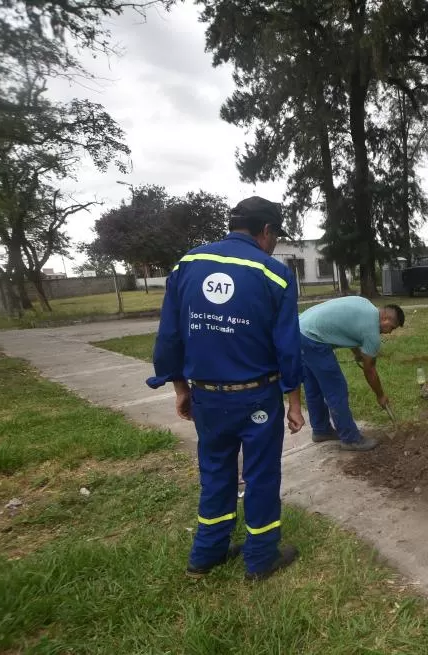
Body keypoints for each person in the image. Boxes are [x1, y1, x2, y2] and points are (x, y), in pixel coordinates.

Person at [148, 196, 303, 582]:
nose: (273, 243)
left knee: (216, 473)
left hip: (207, 397)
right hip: (257, 397)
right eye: (275, 235)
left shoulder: (187, 265)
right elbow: (288, 347)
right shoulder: (275, 275)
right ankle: (260, 558)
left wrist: (180, 389)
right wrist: (294, 402)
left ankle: (206, 555)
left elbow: (169, 337)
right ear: (266, 231)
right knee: (261, 476)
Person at [300, 296, 405, 451]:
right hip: (314, 338)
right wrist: (380, 395)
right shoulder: (372, 332)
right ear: (385, 318)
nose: (389, 332)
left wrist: (357, 352)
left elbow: (349, 330)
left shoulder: (366, 305)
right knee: (336, 388)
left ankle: (321, 430)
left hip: (299, 329)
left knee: (313, 386)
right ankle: (350, 438)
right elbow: (370, 370)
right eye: (392, 327)